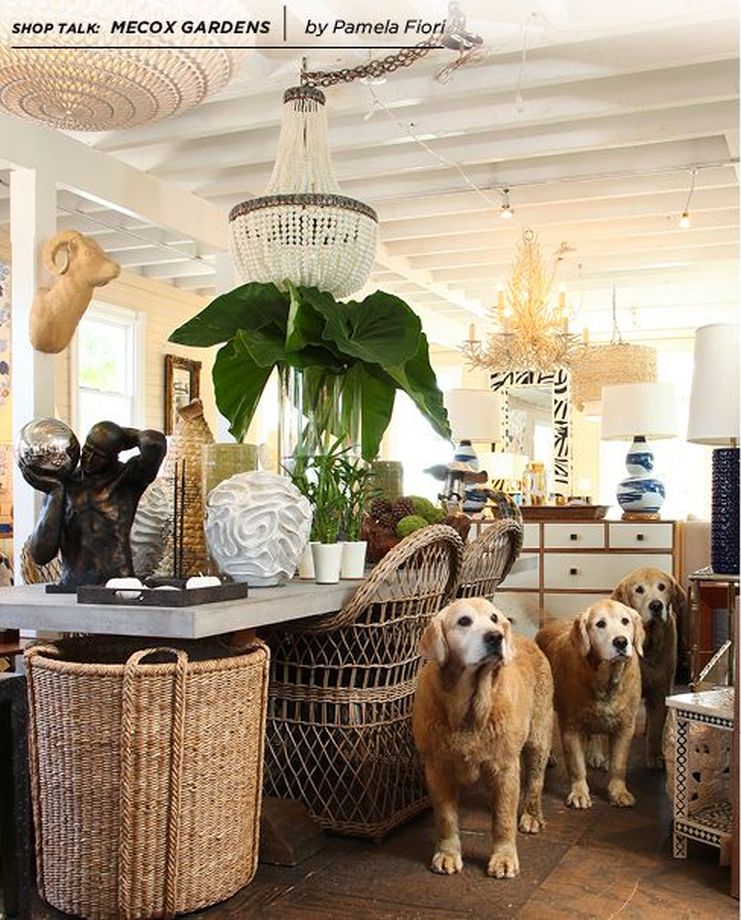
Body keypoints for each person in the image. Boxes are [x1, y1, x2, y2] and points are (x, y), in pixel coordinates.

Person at [20, 421, 167, 588]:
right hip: (73, 586)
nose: (88, 459)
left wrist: (121, 436)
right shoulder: (63, 484)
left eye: (98, 455)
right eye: (86, 450)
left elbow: (154, 443)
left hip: (118, 586)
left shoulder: (127, 480)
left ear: (114, 456)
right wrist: (55, 494)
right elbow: (40, 555)